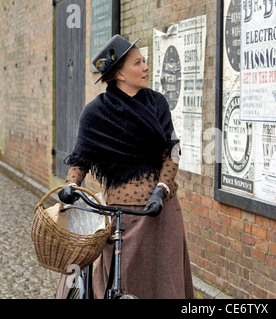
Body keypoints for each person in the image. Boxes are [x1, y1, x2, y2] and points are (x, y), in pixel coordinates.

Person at [56, 34, 194, 299]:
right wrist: (70, 186)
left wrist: (161, 190)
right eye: (138, 63)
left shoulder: (156, 103)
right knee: (120, 281)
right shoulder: (95, 113)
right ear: (119, 73)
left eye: (144, 61)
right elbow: (80, 160)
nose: (145, 67)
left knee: (165, 283)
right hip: (123, 217)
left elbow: (172, 151)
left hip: (161, 212)